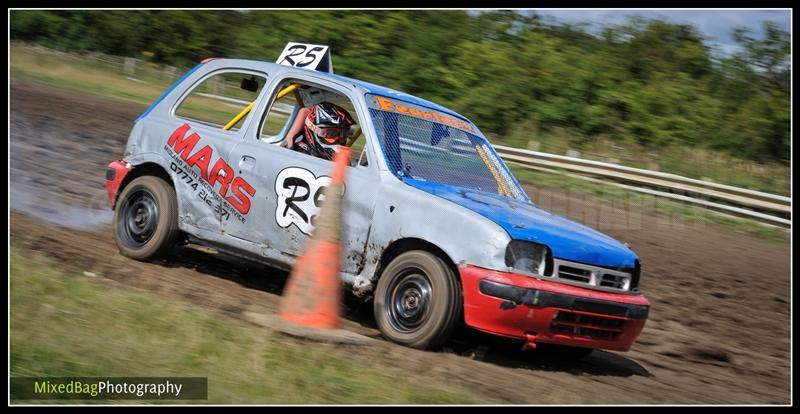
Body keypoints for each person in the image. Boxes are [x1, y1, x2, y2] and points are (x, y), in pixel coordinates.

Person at [283, 101, 355, 161]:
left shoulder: (325, 157)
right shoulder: (301, 157)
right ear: (313, 131)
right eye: (332, 134)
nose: (339, 139)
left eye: (344, 134)